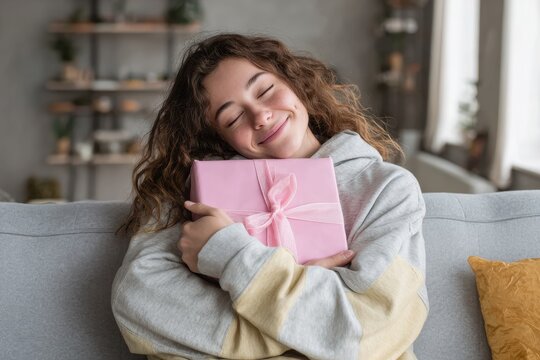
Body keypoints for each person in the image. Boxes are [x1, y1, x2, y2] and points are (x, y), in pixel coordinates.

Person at [112, 33, 428, 360]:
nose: (260, 116)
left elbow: (372, 332)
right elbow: (137, 300)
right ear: (221, 139)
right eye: (232, 118)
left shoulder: (386, 188)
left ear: (294, 82)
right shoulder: (191, 195)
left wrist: (231, 254)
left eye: (265, 90)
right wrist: (310, 325)